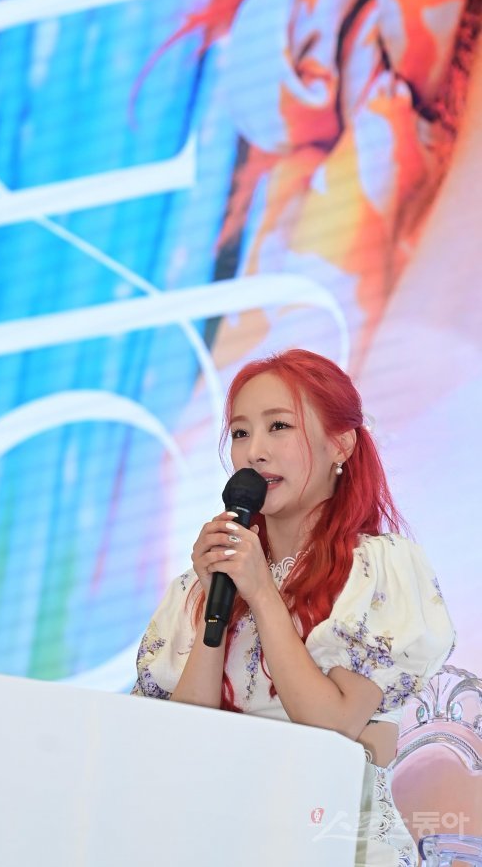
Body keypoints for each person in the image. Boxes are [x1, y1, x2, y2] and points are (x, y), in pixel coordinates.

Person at [132, 349, 455, 866]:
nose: (254, 452)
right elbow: (183, 738)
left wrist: (263, 595)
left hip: (332, 844)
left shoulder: (378, 568)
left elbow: (333, 726)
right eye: (240, 433)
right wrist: (217, 597)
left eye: (278, 426)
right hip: (221, 839)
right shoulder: (205, 582)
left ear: (340, 444)